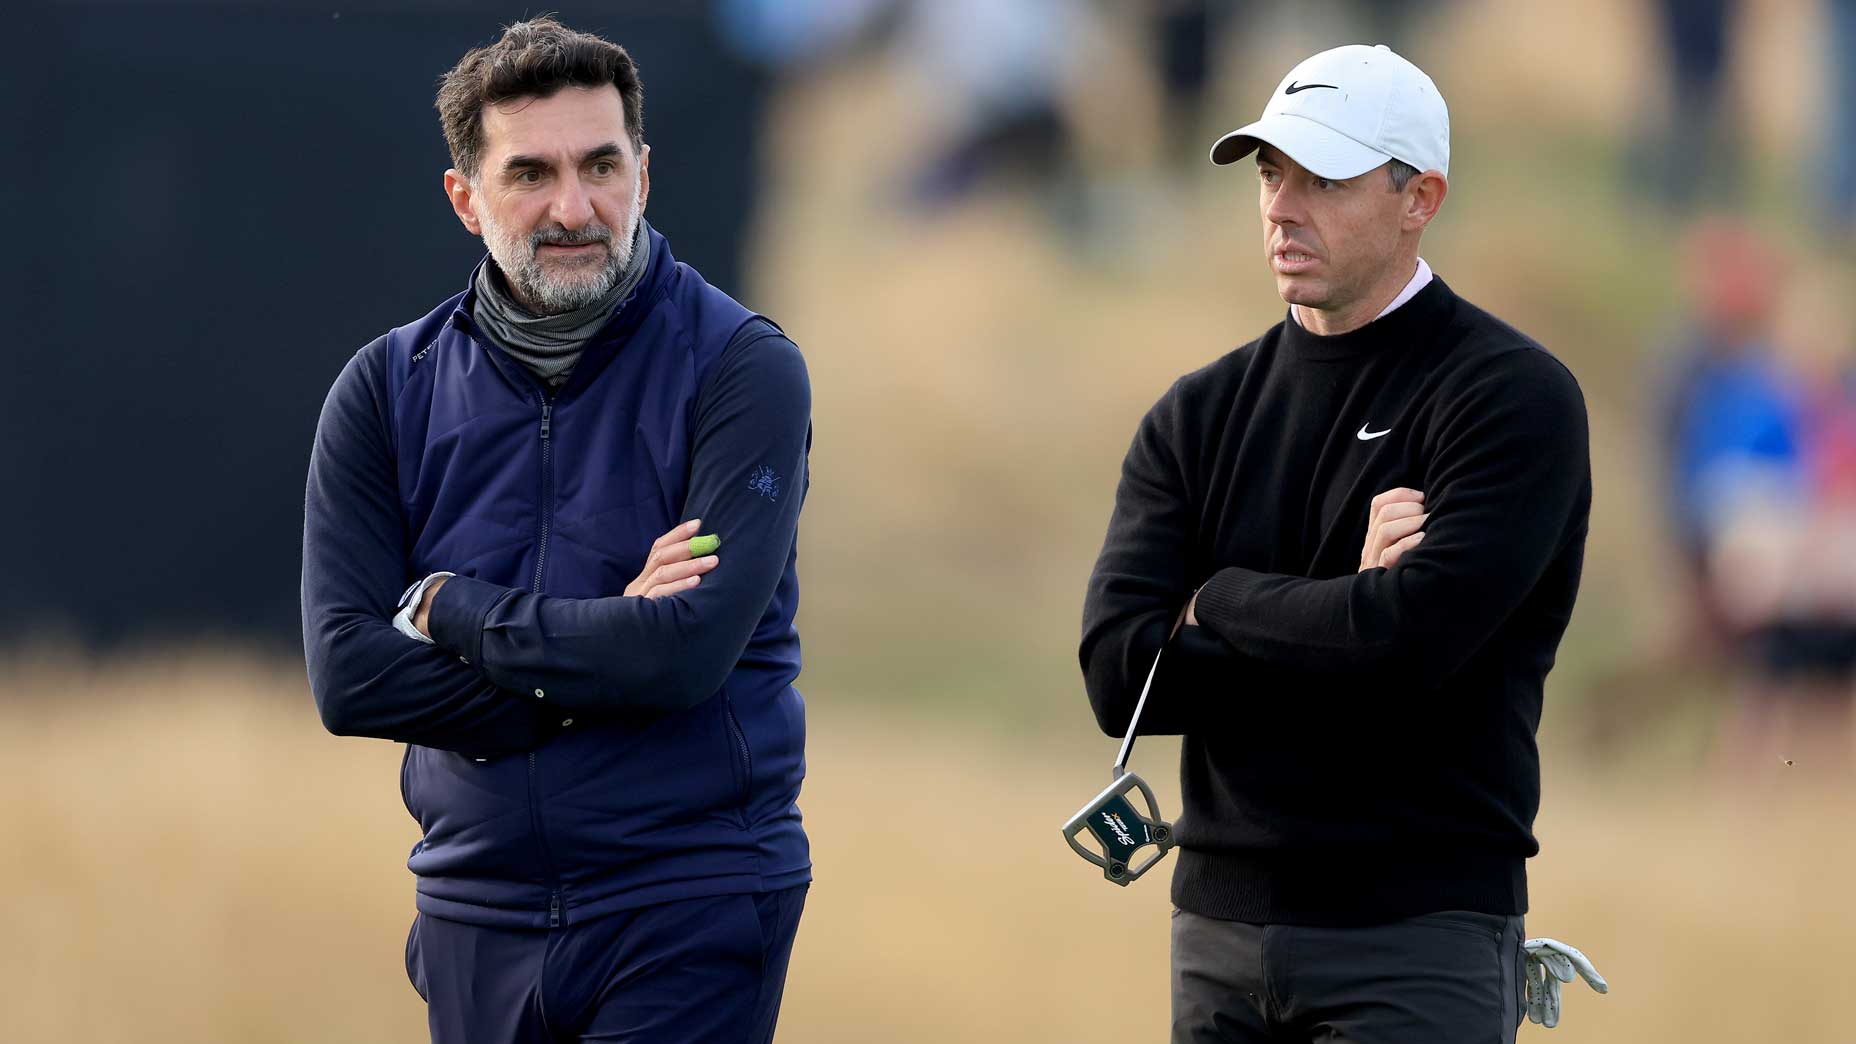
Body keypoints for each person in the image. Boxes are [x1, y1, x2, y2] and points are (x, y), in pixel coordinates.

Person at [300, 18, 811, 1044]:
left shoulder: (742, 368)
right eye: (531, 173)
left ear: (643, 175)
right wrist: (603, 652)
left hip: (687, 899)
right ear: (465, 198)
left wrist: (450, 609)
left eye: (600, 166)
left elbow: (683, 655)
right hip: (471, 909)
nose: (574, 208)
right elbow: (349, 679)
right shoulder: (385, 389)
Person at [1080, 44, 1593, 1042]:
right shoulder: (1196, 413)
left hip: (1416, 939)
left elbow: (1407, 645)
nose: (1281, 207)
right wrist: (1344, 604)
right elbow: (1118, 674)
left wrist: (1217, 599)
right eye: (1271, 174)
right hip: (1215, 936)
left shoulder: (1508, 395)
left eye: (1323, 179)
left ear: (1419, 198)